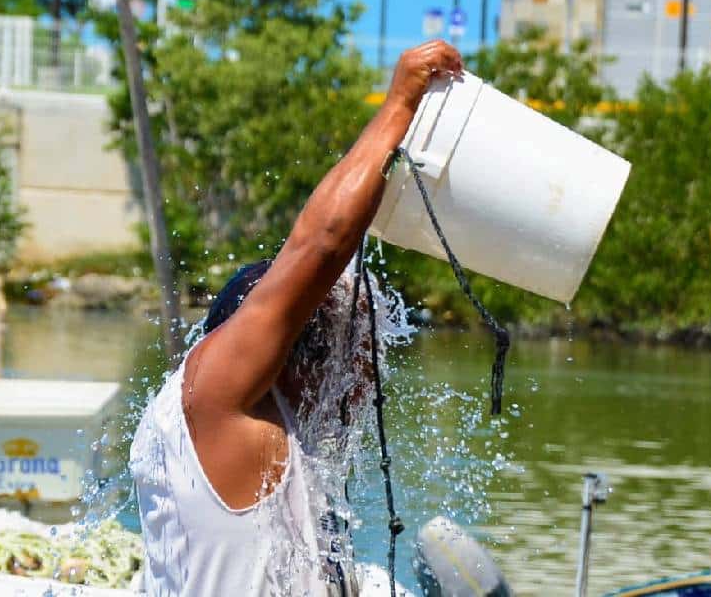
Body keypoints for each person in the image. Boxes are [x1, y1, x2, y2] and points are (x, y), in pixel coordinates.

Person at [130, 41, 464, 596]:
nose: (364, 393)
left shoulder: (280, 446)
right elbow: (322, 246)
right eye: (359, 368)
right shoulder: (215, 401)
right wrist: (402, 104)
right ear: (293, 355)